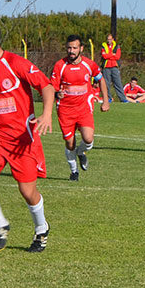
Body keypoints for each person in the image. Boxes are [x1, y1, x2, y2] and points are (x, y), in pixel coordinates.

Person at [0, 20, 55, 253]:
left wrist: (46, 114)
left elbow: (46, 87)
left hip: (21, 138)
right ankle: (1, 224)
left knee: (27, 192)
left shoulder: (16, 63)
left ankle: (41, 229)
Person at [50, 35, 110, 181]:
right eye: (69, 48)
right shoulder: (60, 65)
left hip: (84, 108)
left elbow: (100, 79)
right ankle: (74, 171)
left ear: (81, 49)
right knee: (70, 143)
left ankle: (81, 153)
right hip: (65, 110)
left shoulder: (89, 64)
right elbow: (52, 87)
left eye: (75, 48)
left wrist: (105, 101)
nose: (71, 51)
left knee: (88, 139)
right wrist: (58, 94)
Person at [100, 34, 128, 103]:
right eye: (108, 39)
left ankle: (122, 99)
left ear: (113, 39)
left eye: (110, 39)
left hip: (114, 67)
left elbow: (118, 56)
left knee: (118, 83)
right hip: (106, 67)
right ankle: (108, 98)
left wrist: (109, 55)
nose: (109, 41)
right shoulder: (103, 45)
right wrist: (112, 54)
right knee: (106, 84)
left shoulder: (117, 46)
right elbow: (104, 56)